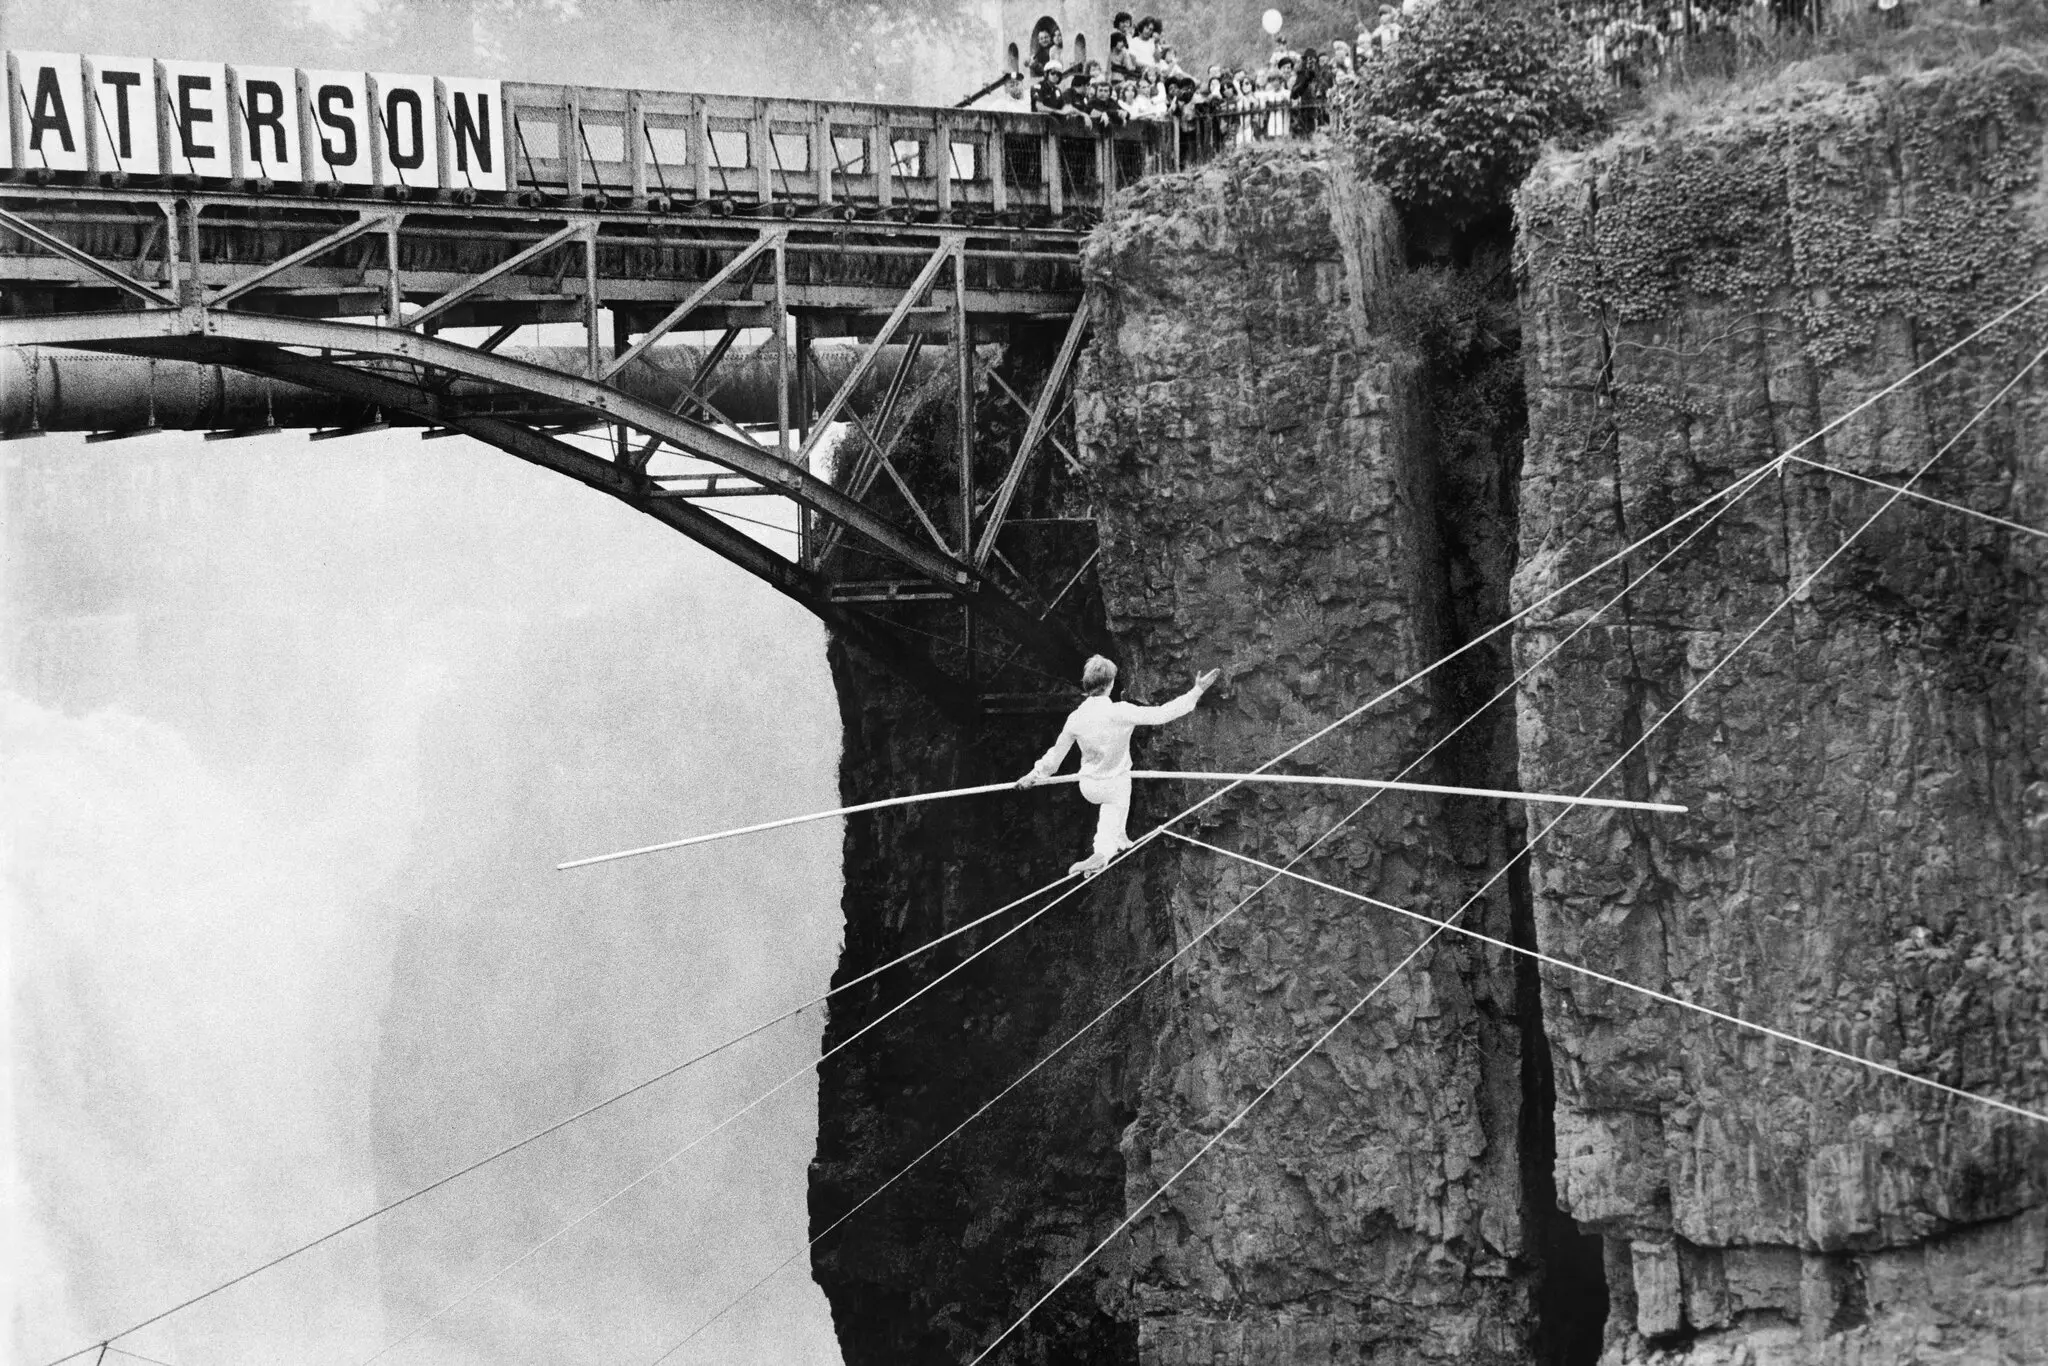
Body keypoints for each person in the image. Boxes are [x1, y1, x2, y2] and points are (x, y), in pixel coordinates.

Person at [1017, 655, 1221, 877]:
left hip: (1088, 786)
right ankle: (1104, 853)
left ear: (1087, 686)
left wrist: (1033, 775)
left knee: (1110, 810)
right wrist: (1196, 691)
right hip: (1115, 785)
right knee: (1119, 791)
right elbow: (1162, 714)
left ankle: (1104, 850)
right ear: (1111, 684)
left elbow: (1054, 759)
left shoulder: (1075, 718)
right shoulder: (1121, 711)